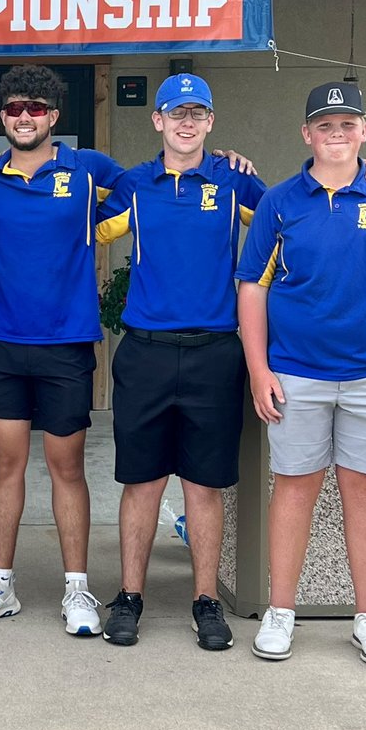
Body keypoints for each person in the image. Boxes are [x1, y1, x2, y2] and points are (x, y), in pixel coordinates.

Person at [236, 82, 366, 667]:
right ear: (307, 134)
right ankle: (280, 611)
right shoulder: (278, 202)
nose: (337, 134)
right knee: (294, 489)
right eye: (326, 125)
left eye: (347, 124)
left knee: (364, 491)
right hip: (296, 373)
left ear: (364, 130)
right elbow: (254, 287)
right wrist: (258, 369)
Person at [94, 74, 267, 651]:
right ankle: (129, 597)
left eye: (198, 114)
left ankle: (205, 601)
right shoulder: (133, 186)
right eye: (176, 113)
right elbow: (74, 225)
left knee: (204, 484)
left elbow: (299, 215)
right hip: (144, 351)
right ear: (158, 121)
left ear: (211, 122)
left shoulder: (235, 180)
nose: (187, 123)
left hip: (215, 352)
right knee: (141, 481)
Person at [0, 65, 125, 636]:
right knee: (6, 465)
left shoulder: (89, 170)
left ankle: (78, 589)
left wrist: (225, 162)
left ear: (54, 116)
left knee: (66, 468)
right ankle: (0, 584)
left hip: (65, 343)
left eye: (36, 108)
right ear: (2, 116)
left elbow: (159, 182)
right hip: (0, 343)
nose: (24, 117)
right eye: (13, 108)